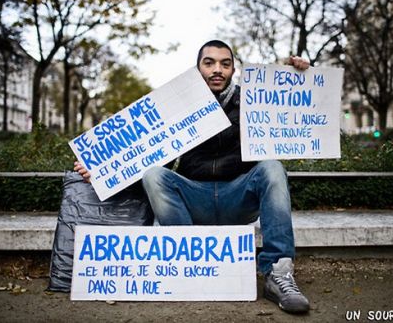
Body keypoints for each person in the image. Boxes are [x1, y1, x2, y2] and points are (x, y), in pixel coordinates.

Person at [75, 40, 310, 314]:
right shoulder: (176, 107)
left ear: (234, 69)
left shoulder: (252, 102)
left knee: (272, 166)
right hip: (193, 200)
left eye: (225, 63)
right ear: (197, 69)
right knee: (154, 174)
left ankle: (278, 273)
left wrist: (301, 78)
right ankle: (186, 267)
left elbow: (292, 123)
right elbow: (146, 157)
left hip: (238, 197)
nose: (217, 69)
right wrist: (104, 169)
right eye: (209, 63)